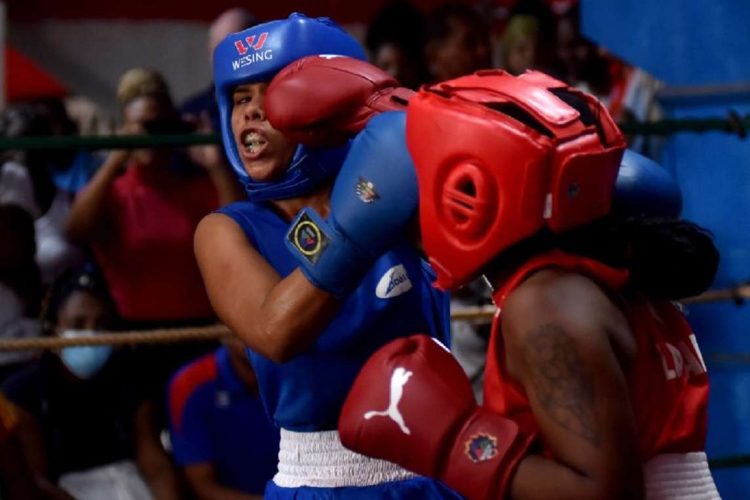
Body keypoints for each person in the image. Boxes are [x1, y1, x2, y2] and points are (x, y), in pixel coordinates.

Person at [339, 70, 721, 499]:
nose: (412, 197)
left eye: (428, 175)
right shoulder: (600, 274)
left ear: (473, 189)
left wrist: (456, 443)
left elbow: (604, 493)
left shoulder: (546, 304)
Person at [195, 12, 458, 498]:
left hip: (434, 466)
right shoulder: (226, 231)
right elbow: (276, 332)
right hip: (322, 482)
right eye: (239, 99)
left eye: (269, 93)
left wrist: (410, 129)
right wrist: (357, 219)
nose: (249, 113)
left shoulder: (403, 190)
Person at [2, 266, 182, 499]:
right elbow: (36, 482)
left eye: (101, 324)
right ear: (54, 330)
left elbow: (156, 467)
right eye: (78, 325)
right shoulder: (23, 392)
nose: (91, 334)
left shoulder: (130, 379)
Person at [168, 335, 280, 499]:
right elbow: (203, 487)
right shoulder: (190, 383)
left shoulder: (301, 373)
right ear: (221, 321)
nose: (249, 327)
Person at [425, 3, 492, 82]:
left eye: (485, 40)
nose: (483, 50)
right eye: (470, 43)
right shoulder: (422, 94)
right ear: (434, 56)